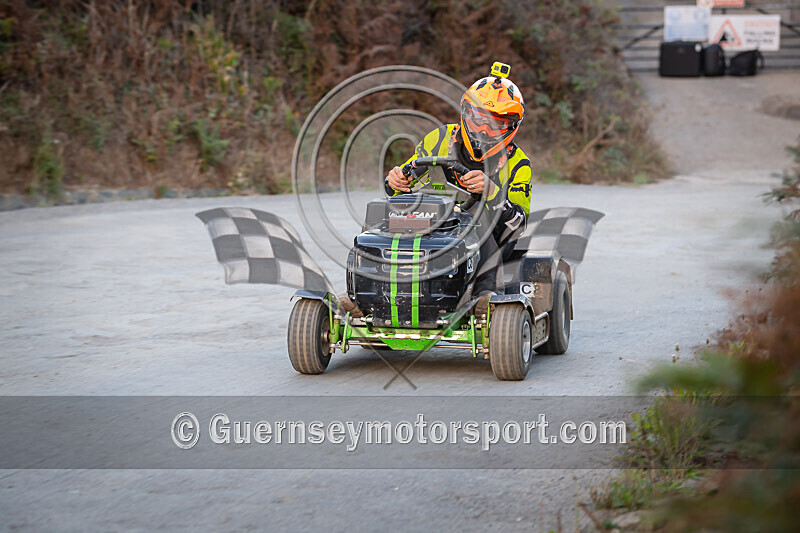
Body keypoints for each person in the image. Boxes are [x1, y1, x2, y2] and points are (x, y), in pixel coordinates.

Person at [384, 63, 532, 315]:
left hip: (489, 235)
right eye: (479, 120)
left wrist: (491, 192)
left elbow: (518, 224)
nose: (484, 131)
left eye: (495, 124)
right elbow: (402, 182)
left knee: (476, 221)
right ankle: (368, 292)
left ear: (512, 126)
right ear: (465, 113)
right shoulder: (439, 138)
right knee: (383, 217)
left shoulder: (518, 163)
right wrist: (395, 181)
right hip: (433, 221)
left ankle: (486, 296)